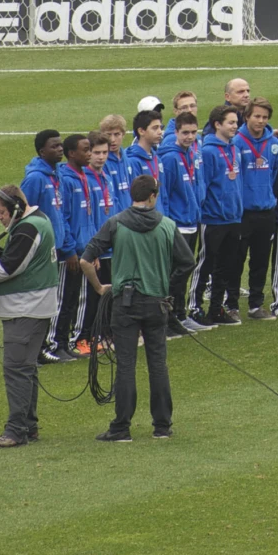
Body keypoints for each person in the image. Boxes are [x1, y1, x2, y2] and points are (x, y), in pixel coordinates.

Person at [79, 172, 195, 443]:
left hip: (125, 303)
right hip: (157, 303)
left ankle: (121, 428)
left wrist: (99, 287)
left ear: (132, 195)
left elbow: (86, 260)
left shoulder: (116, 223)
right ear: (153, 196)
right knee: (158, 364)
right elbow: (187, 262)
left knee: (126, 365)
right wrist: (168, 285)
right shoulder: (167, 225)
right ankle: (162, 426)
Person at [0, 183, 59, 449]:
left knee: (16, 369)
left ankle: (16, 430)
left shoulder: (28, 227)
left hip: (25, 308)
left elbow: (8, 268)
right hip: (35, 306)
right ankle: (28, 425)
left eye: (1, 212)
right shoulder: (38, 221)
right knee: (26, 369)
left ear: (15, 208)